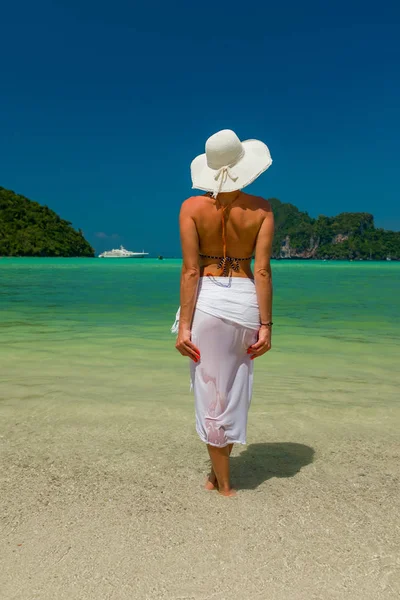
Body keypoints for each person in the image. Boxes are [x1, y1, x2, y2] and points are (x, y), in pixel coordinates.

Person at [172, 129, 274, 497]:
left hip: (208, 302)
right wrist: (266, 324)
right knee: (234, 390)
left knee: (210, 390)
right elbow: (261, 270)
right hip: (246, 300)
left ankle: (225, 486)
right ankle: (218, 474)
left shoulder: (191, 208)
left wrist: (184, 326)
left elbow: (190, 270)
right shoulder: (261, 209)